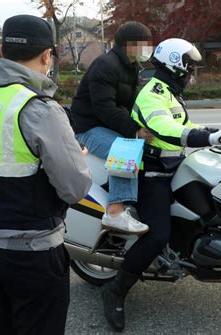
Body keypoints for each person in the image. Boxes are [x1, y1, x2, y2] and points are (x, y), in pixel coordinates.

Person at [0, 15, 92, 335]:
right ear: (47, 56)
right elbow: (76, 188)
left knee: (1, 324)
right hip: (35, 252)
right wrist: (76, 160)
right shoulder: (39, 108)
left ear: (1, 49)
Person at [100, 38, 221, 331]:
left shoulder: (170, 93)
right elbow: (165, 129)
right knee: (156, 234)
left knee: (211, 204)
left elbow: (184, 127)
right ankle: (115, 292)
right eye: (189, 68)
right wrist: (206, 137)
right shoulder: (152, 94)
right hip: (152, 171)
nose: (192, 75)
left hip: (174, 165)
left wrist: (212, 133)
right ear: (175, 65)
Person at [70, 21, 154, 234]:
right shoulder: (106, 65)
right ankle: (115, 213)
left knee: (140, 149)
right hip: (88, 128)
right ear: (129, 45)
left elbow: (130, 104)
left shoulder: (131, 67)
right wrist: (135, 131)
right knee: (124, 150)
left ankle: (132, 204)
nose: (148, 48)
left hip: (105, 125)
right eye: (144, 44)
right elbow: (104, 108)